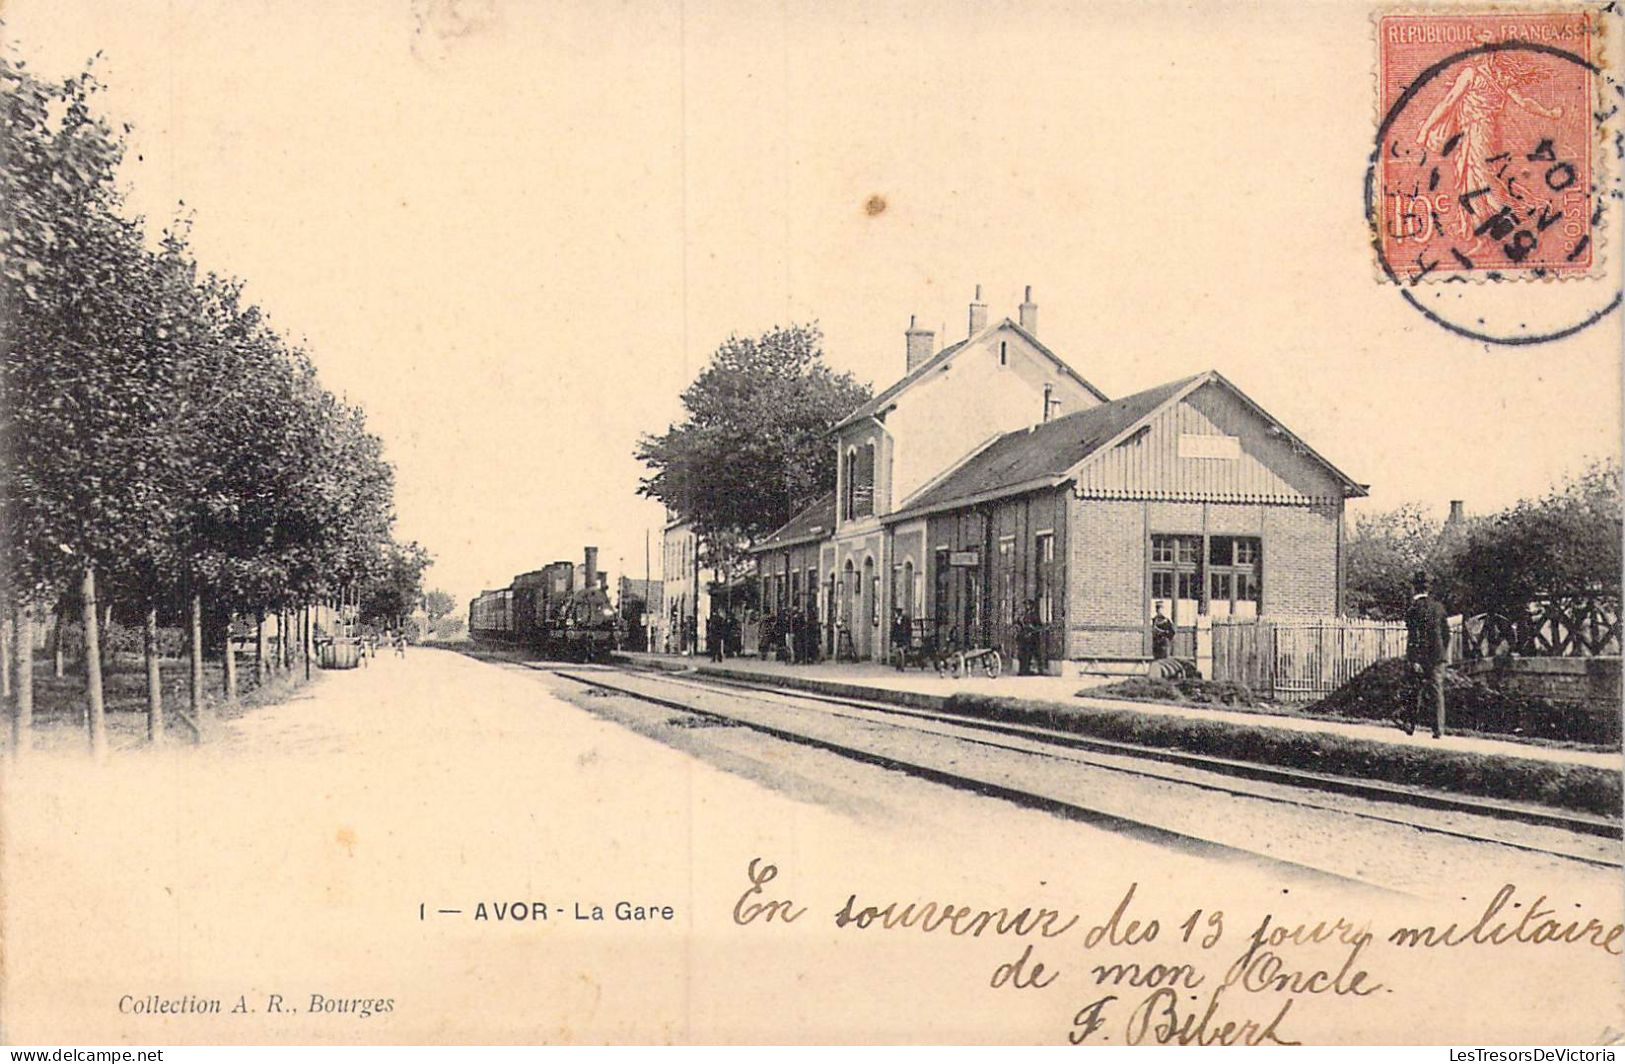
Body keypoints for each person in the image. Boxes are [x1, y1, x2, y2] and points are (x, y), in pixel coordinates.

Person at [1400, 570, 1450, 738]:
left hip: (1420, 657)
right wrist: (1441, 654)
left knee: (1414, 689)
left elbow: (1414, 636)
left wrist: (1413, 659)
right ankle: (1438, 730)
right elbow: (1446, 634)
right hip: (1438, 657)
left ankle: (1410, 724)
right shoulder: (1439, 607)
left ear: (1415, 588)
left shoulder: (1413, 609)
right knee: (1437, 691)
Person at [1017, 599, 1046, 675]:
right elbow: (1020, 624)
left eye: (1028, 605)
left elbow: (1039, 626)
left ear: (1032, 606)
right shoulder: (1024, 615)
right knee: (1024, 654)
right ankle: (1023, 670)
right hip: (1024, 637)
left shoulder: (1035, 615)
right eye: (1026, 605)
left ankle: (1039, 670)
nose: (1027, 606)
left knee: (1035, 654)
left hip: (1033, 638)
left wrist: (1032, 628)